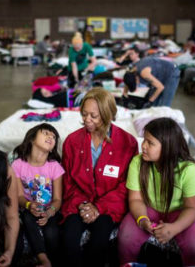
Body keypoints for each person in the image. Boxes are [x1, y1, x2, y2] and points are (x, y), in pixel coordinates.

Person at [61, 87, 138, 267]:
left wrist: (99, 207)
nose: (87, 120)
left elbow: (126, 184)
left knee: (99, 242)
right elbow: (68, 181)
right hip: (78, 203)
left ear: (107, 115)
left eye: (93, 116)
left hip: (109, 205)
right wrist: (82, 204)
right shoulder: (72, 142)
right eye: (84, 114)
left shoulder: (128, 143)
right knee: (69, 240)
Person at [118, 118, 195, 266]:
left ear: (167, 147)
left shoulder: (188, 170)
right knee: (126, 238)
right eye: (144, 140)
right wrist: (142, 220)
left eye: (150, 143)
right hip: (148, 208)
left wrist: (174, 229)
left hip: (181, 211)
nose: (143, 146)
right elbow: (135, 200)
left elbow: (192, 208)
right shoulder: (138, 163)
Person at [11, 123, 65, 267]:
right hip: (29, 208)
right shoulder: (18, 165)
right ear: (32, 139)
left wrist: (49, 213)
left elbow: (58, 199)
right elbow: (19, 196)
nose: (50, 137)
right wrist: (29, 205)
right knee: (28, 218)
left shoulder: (55, 167)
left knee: (51, 232)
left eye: (54, 136)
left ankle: (55, 261)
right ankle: (43, 260)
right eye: (46, 133)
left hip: (51, 209)